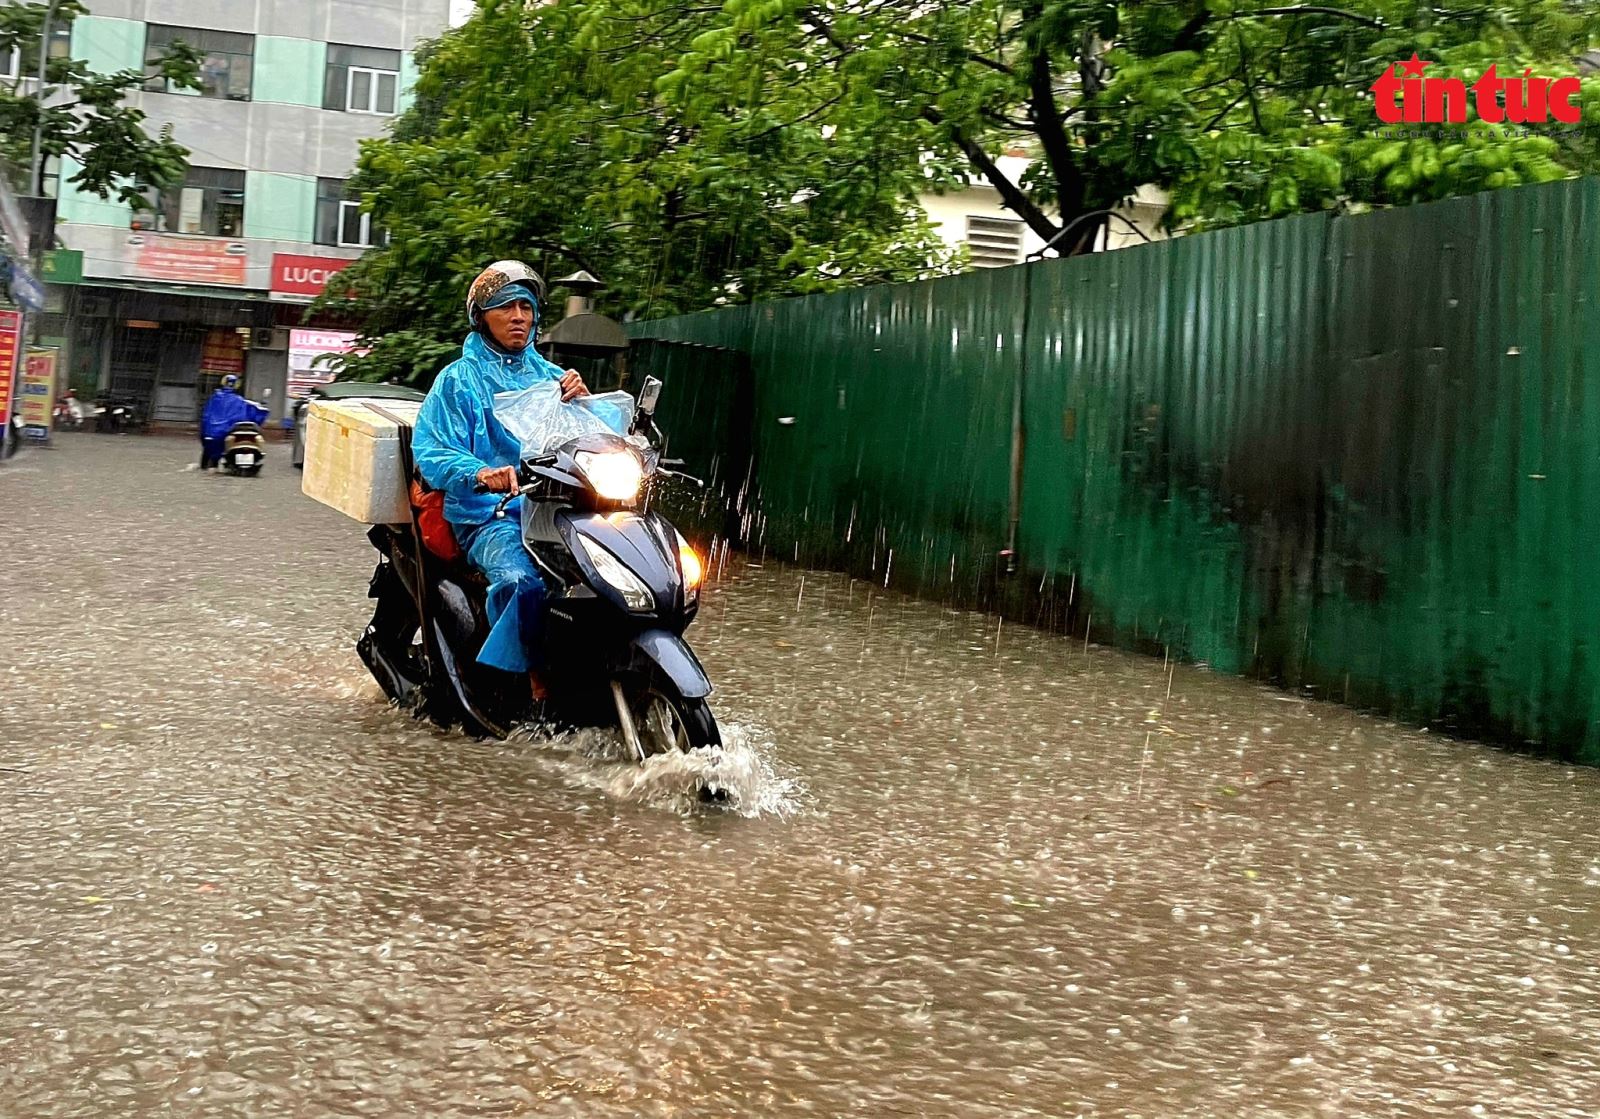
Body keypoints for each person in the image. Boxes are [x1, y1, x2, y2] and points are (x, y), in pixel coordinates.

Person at [411, 260, 590, 690]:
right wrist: (480, 473)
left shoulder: (553, 379)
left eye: (526, 308)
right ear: (481, 317)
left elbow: (588, 441)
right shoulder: (457, 382)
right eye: (506, 307)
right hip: (490, 514)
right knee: (521, 581)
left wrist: (584, 403)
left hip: (553, 512)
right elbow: (431, 450)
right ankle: (529, 682)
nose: (518, 318)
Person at [199, 374, 267, 469]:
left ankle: (208, 467)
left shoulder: (215, 397)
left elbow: (206, 416)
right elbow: (253, 413)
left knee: (208, 455)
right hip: (227, 431)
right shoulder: (239, 400)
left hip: (211, 433)